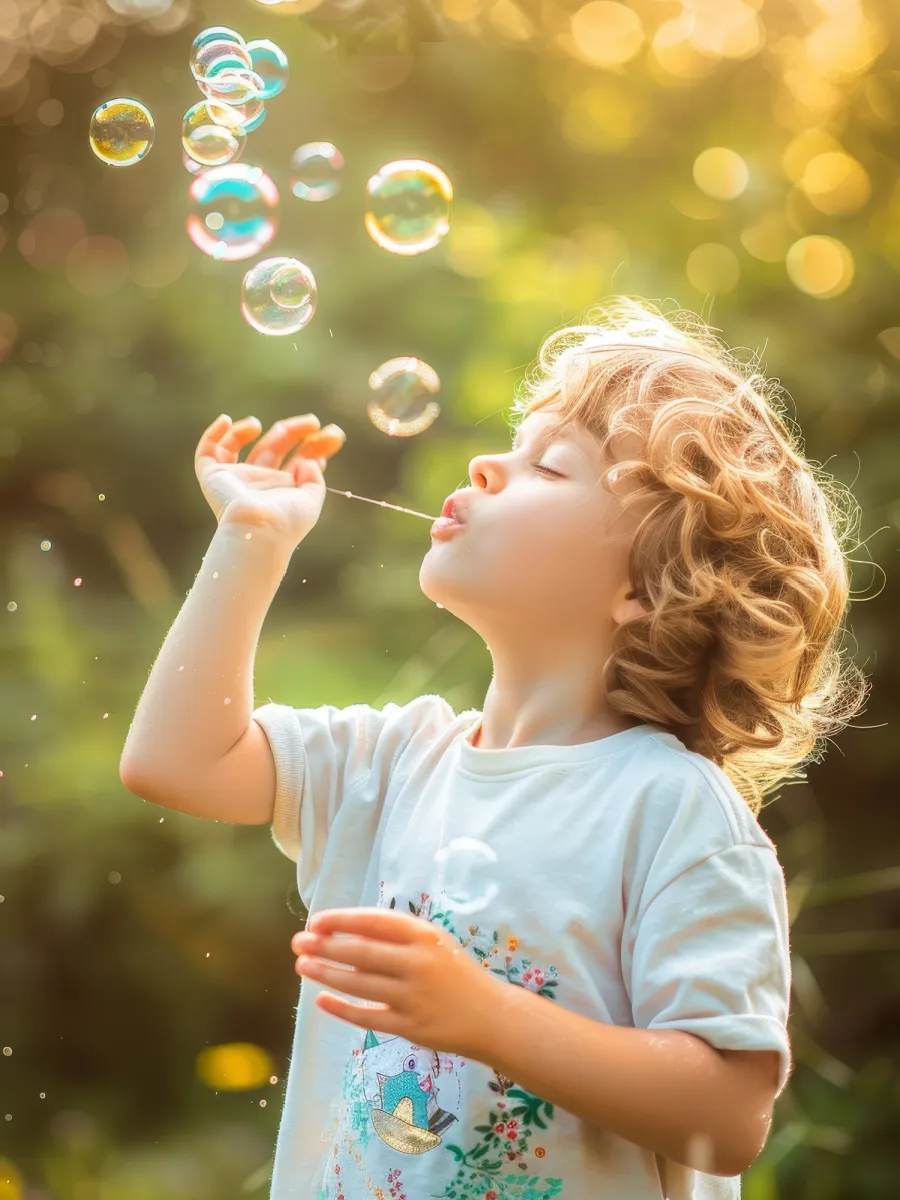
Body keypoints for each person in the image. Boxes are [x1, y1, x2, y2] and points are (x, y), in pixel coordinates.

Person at [119, 296, 868, 1200]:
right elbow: (175, 760)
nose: (489, 462)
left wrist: (485, 1016)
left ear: (649, 585)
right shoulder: (393, 763)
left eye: (549, 466)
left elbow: (727, 1120)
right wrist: (250, 539)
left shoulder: (671, 811)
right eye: (516, 443)